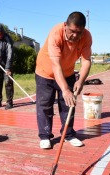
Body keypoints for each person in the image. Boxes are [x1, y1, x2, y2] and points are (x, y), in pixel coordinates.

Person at [35, 11, 92, 149]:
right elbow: (56, 65)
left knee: (68, 104)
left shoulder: (86, 37)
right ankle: (45, 136)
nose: (75, 35)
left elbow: (86, 61)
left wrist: (81, 81)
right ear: (66, 25)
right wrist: (65, 89)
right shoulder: (56, 33)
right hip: (45, 73)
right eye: (72, 31)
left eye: (79, 32)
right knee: (45, 104)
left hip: (68, 72)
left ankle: (68, 135)